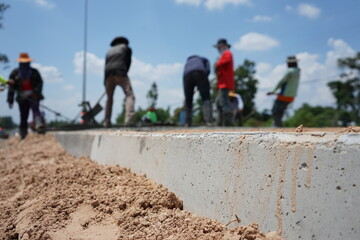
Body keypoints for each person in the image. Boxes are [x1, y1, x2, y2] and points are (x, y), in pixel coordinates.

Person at [7, 53, 45, 139]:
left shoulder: (34, 72)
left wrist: (36, 93)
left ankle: (39, 125)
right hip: (22, 97)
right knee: (23, 115)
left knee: (36, 110)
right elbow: (11, 87)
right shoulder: (15, 73)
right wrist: (10, 100)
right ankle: (23, 133)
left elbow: (40, 83)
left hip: (33, 96)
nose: (25, 64)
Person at [104, 36, 135, 127]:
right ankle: (129, 119)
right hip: (121, 72)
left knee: (109, 98)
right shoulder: (126, 48)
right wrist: (125, 72)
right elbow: (128, 62)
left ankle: (106, 121)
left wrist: (105, 81)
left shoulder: (109, 51)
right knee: (129, 95)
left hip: (108, 74)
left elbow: (105, 66)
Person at [267, 56, 300, 127]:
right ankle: (278, 125)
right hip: (291, 96)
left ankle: (277, 126)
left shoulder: (290, 71)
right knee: (280, 111)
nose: (287, 64)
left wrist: (272, 91)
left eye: (288, 63)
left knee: (275, 111)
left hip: (284, 95)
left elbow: (281, 82)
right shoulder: (298, 71)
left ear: (291, 63)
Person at [183, 55, 212, 126]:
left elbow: (185, 74)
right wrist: (203, 84)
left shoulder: (188, 62)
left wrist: (188, 93)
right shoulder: (204, 59)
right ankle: (208, 121)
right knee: (205, 97)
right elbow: (208, 69)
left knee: (188, 100)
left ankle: (187, 122)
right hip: (200, 72)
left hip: (187, 76)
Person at [214, 38, 235, 126]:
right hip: (222, 83)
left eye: (219, 47)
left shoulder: (227, 53)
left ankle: (228, 123)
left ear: (223, 46)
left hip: (225, 83)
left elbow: (222, 63)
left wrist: (217, 63)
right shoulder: (224, 54)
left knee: (224, 102)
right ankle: (219, 122)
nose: (218, 49)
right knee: (218, 102)